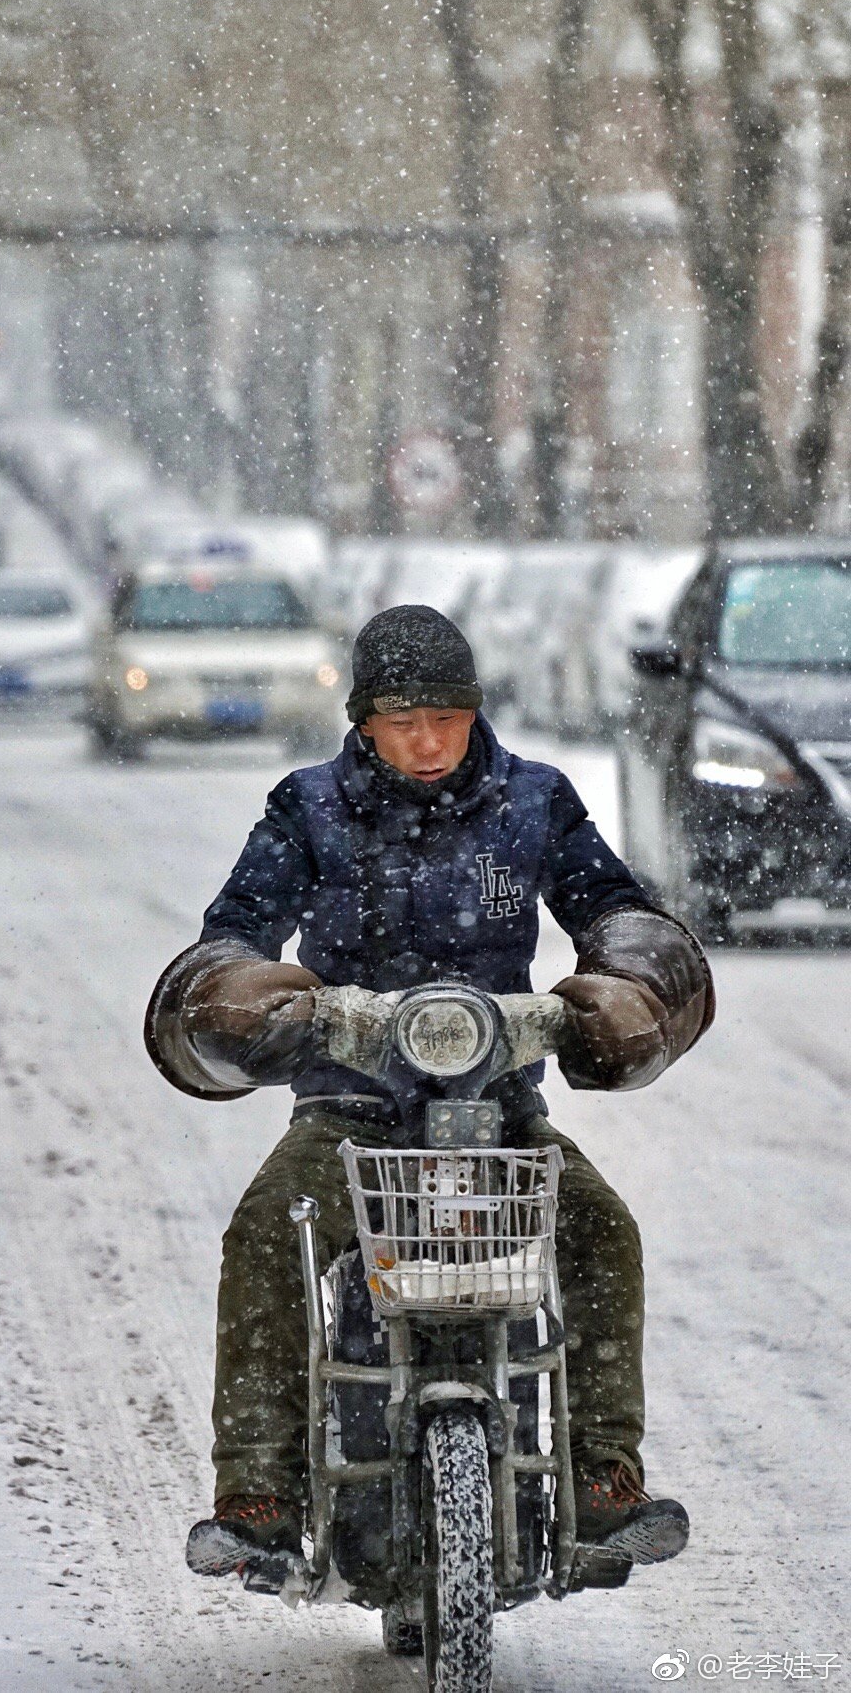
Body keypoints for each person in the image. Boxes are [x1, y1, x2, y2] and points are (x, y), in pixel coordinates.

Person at [145, 605, 714, 1581]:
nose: (427, 739)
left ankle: (603, 1481)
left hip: (501, 1114)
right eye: (404, 719)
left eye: (446, 717)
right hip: (347, 1112)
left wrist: (625, 987)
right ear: (363, 721)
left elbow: (617, 912)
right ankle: (258, 1494)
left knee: (601, 1228)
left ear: (474, 713)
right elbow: (236, 932)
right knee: (268, 1230)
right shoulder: (308, 808)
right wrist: (253, 1003)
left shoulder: (534, 803)